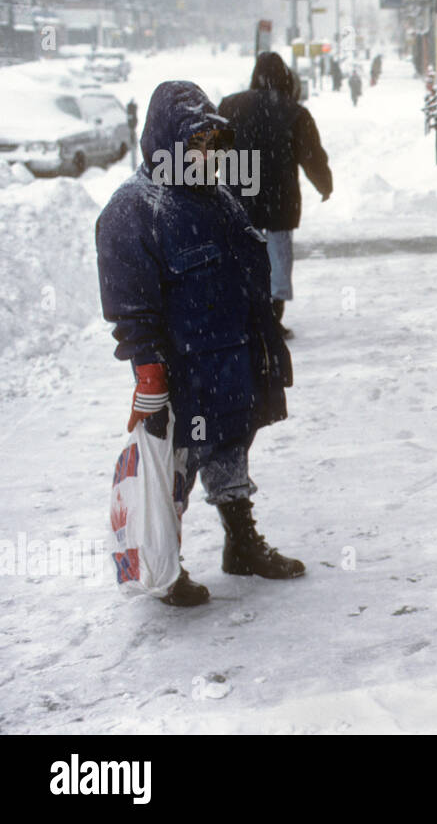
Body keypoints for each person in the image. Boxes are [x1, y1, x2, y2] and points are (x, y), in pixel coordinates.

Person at [96, 80, 304, 608]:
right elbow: (131, 307)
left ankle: (241, 544)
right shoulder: (133, 211)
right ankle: (169, 565)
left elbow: (250, 282)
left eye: (212, 144)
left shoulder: (220, 200)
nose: (207, 155)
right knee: (178, 466)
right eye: (196, 144)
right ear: (166, 142)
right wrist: (148, 370)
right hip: (185, 371)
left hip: (231, 361)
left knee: (231, 449)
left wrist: (268, 351)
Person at [218, 52, 333, 339]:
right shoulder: (294, 112)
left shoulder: (230, 106)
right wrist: (324, 183)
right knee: (278, 260)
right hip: (279, 200)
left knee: (244, 256)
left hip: (240, 195)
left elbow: (212, 149)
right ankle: (271, 319)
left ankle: (246, 317)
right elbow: (311, 155)